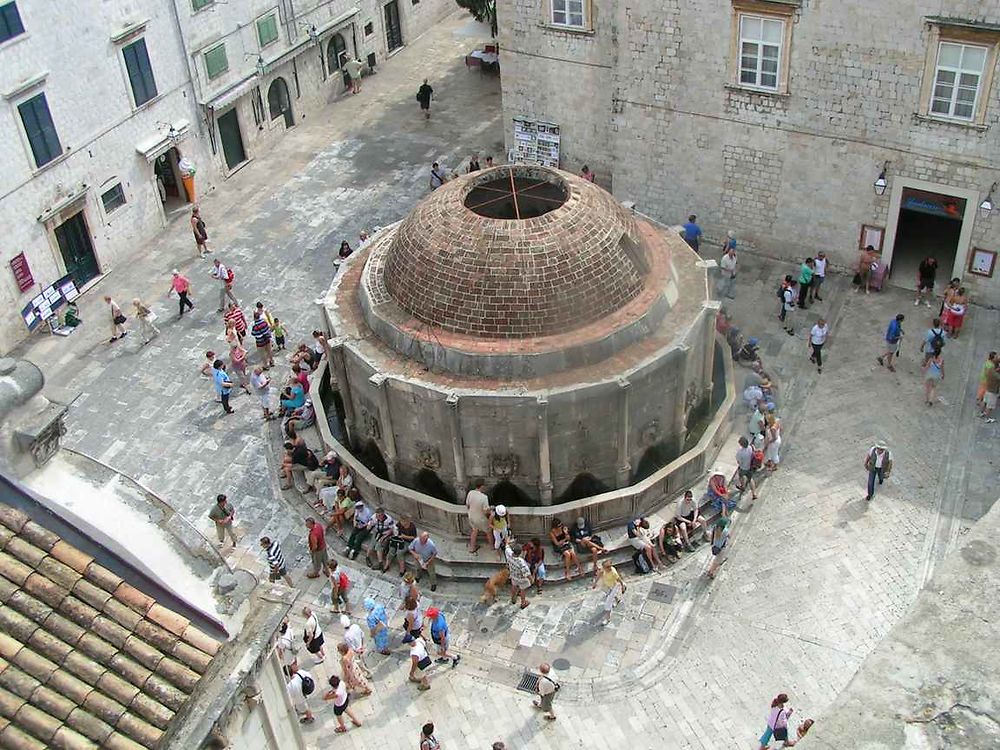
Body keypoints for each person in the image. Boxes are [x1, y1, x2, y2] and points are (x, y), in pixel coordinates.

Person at [592, 558, 625, 626]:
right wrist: (595, 583)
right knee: (609, 594)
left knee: (607, 604)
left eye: (604, 567)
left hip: (613, 587)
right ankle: (617, 599)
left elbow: (619, 580)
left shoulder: (613, 573)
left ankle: (608, 619)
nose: (602, 568)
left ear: (608, 567)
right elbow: (599, 575)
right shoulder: (603, 569)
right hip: (606, 586)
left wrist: (622, 586)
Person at [367, 507, 396, 571]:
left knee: (378, 546)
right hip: (377, 531)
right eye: (377, 515)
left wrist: (384, 537)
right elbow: (370, 524)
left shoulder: (389, 519)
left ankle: (380, 563)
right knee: (372, 545)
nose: (378, 517)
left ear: (383, 514)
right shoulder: (374, 517)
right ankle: (367, 557)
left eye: (380, 515)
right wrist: (369, 526)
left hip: (386, 533)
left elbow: (391, 529)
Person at [465, 478, 491, 553]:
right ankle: (492, 547)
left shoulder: (470, 492)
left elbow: (467, 504)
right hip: (480, 518)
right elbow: (486, 511)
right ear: (482, 486)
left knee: (474, 530)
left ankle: (472, 548)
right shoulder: (484, 497)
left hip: (471, 516)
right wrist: (490, 510)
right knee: (489, 531)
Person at [506, 543, 532, 609]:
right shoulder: (521, 562)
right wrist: (531, 580)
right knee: (522, 589)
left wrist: (508, 541)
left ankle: (513, 599)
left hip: (513, 575)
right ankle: (523, 603)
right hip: (521, 578)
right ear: (520, 553)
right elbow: (527, 573)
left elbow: (507, 546)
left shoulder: (508, 554)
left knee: (514, 586)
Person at [735, 436, 759, 501]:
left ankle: (742, 486)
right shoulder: (751, 447)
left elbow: (738, 461)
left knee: (741, 476)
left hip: (743, 468)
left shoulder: (740, 452)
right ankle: (754, 494)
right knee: (750, 479)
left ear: (741, 444)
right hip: (750, 467)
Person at [980, 353, 999, 423]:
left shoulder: (990, 370)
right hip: (993, 391)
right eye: (996, 357)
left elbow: (994, 371)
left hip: (988, 388)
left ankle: (982, 413)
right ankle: (987, 418)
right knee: (990, 406)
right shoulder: (996, 375)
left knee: (985, 401)